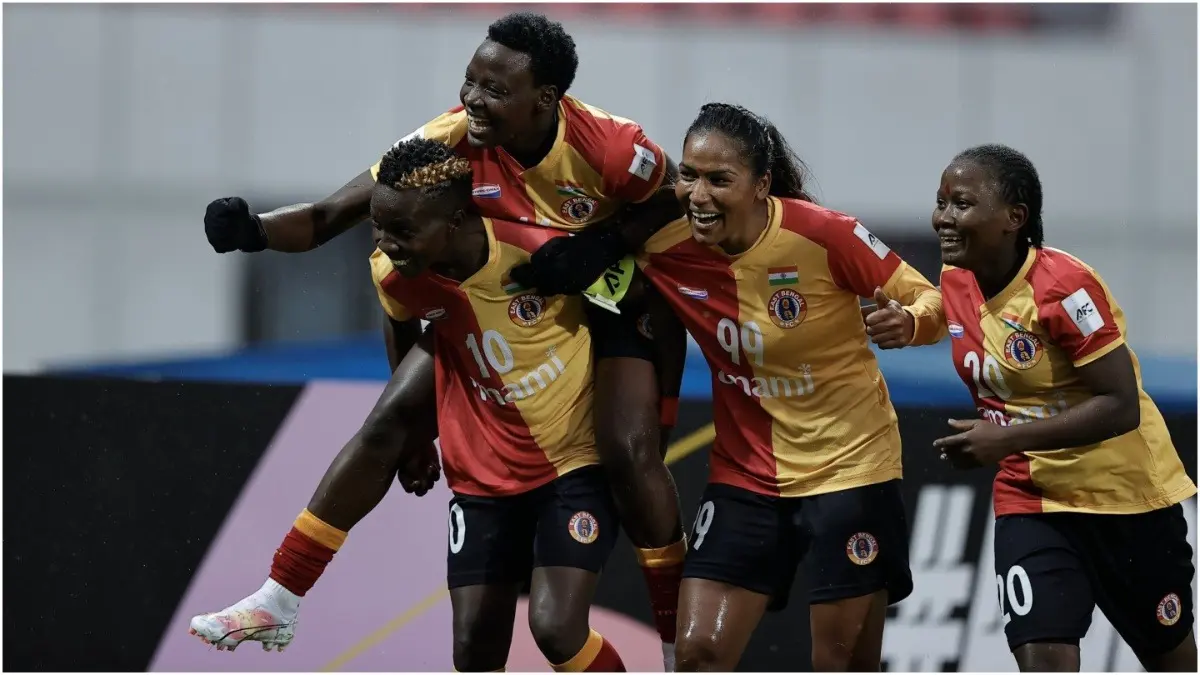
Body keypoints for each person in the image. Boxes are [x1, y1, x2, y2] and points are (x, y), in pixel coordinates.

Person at [196, 13, 688, 665]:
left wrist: (604, 243)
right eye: (469, 81)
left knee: (628, 453)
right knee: (390, 419)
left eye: (494, 88)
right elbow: (328, 218)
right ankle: (276, 598)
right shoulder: (448, 146)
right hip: (504, 295)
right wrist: (255, 230)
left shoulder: (611, 147)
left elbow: (676, 198)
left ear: (546, 99)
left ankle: (679, 636)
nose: (472, 99)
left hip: (609, 293)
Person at [633, 102, 947, 671]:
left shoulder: (826, 234)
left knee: (841, 665)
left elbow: (932, 298)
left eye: (719, 180)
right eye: (689, 175)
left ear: (762, 185)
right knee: (697, 656)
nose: (698, 195)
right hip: (743, 478)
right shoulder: (663, 249)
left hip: (850, 471)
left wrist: (909, 323)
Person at [930, 144, 1198, 672]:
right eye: (940, 202)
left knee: (1172, 661)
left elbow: (1120, 406)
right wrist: (911, 322)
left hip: (1128, 500)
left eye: (961, 204)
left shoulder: (1064, 287)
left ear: (1014, 218)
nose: (943, 217)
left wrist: (1002, 439)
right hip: (1032, 500)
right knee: (1044, 658)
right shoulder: (955, 278)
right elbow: (941, 310)